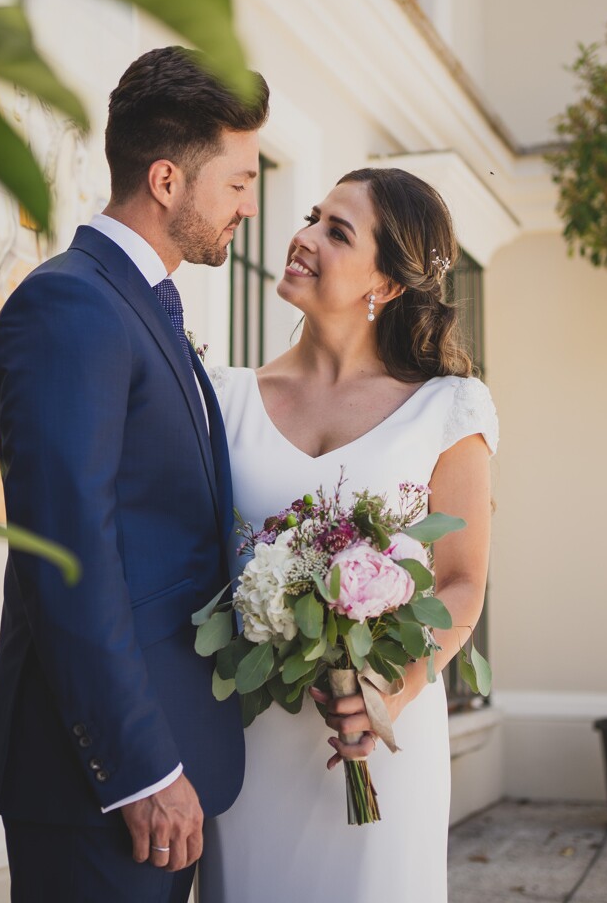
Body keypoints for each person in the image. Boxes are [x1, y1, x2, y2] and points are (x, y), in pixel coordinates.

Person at [0, 46, 269, 903]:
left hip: (170, 766)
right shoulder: (72, 305)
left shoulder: (139, 306)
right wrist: (139, 769)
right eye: (239, 182)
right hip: (106, 786)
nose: (249, 207)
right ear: (168, 180)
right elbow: (69, 554)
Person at [199, 168, 497, 902]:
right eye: (312, 217)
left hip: (384, 743)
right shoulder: (224, 398)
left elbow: (461, 582)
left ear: (386, 283)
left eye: (336, 232)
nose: (302, 238)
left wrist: (395, 690)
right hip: (252, 743)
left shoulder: (447, 408)